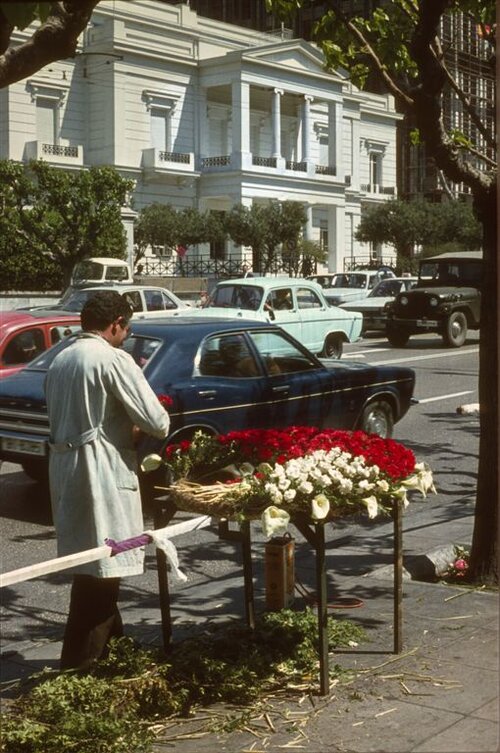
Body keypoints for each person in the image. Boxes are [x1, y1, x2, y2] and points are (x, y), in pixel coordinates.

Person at [44, 290, 170, 671]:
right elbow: (157, 422)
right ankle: (79, 669)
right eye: (125, 329)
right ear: (115, 325)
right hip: (101, 472)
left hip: (67, 472)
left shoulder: (60, 359)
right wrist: (130, 428)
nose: (125, 335)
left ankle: (116, 656)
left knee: (93, 568)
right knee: (103, 572)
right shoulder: (112, 359)